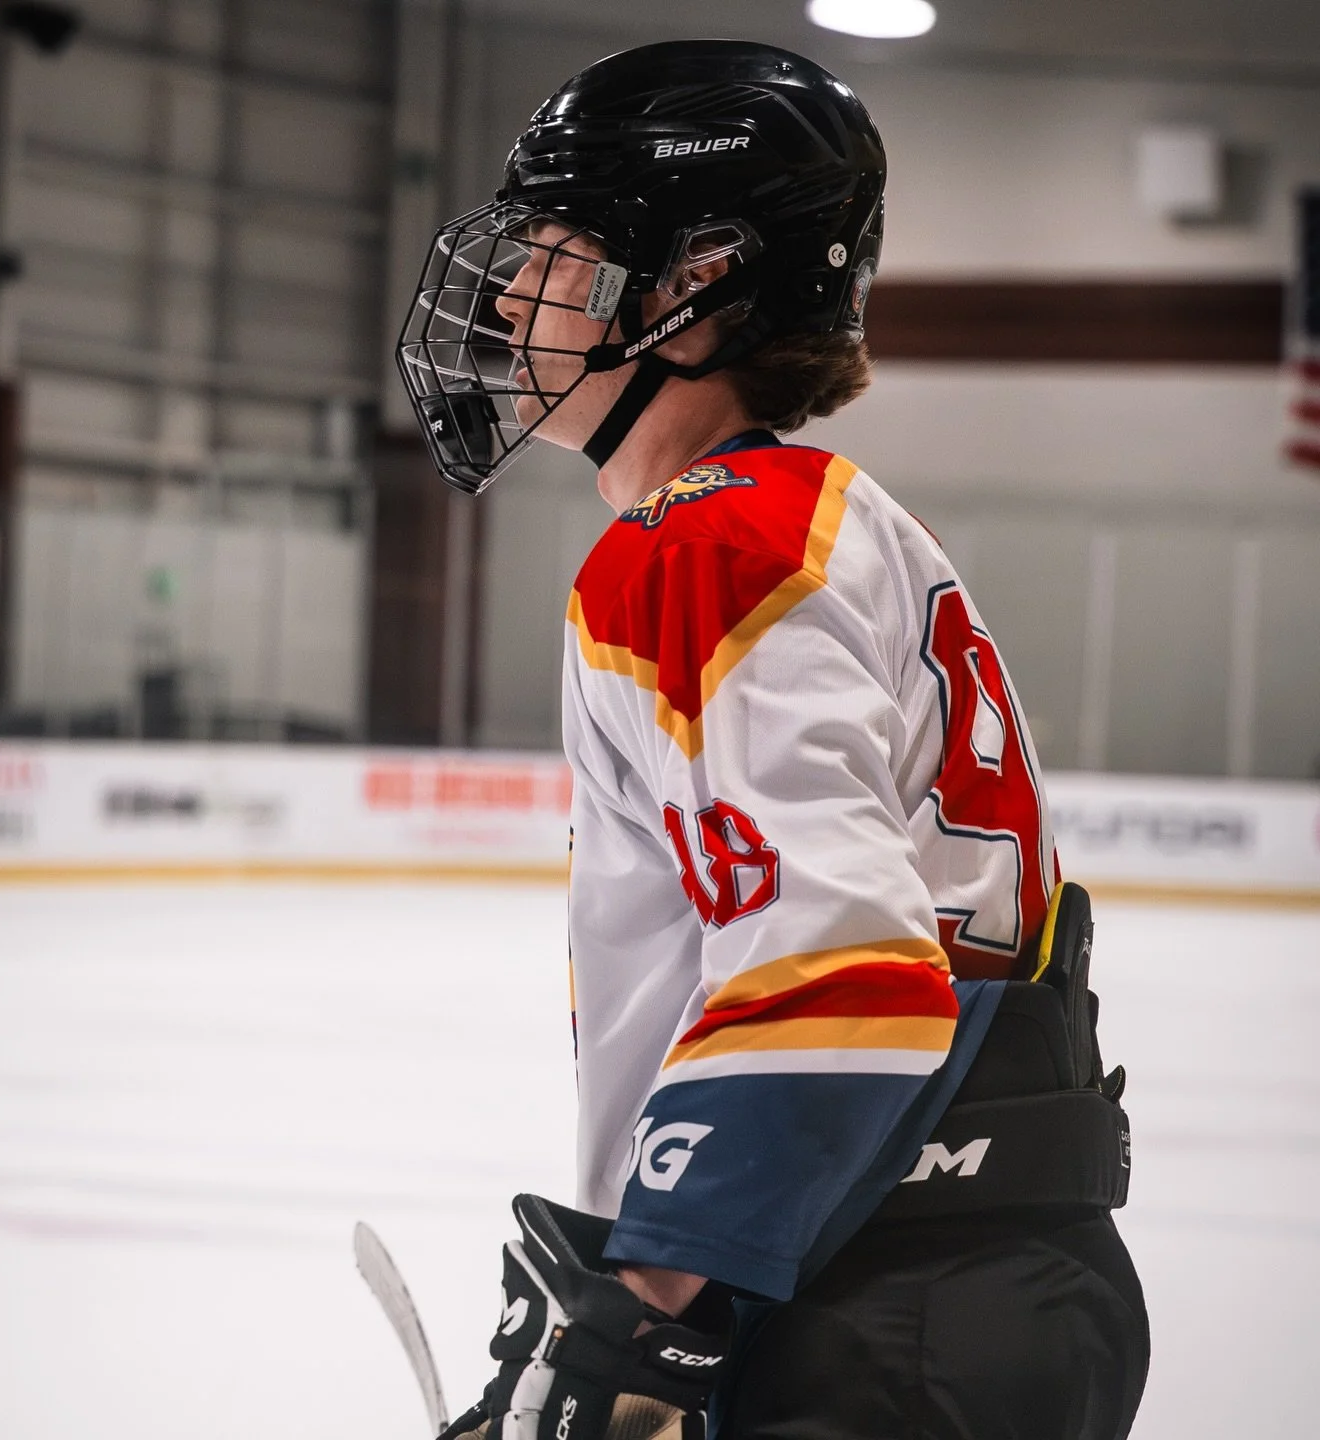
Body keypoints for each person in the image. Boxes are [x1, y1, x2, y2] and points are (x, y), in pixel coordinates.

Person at [396, 38, 1148, 1440]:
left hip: (884, 1304)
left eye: (559, 254)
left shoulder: (707, 543)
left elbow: (836, 970)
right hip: (953, 1281)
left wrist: (644, 1321)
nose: (513, 291)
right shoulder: (820, 518)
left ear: (692, 288)